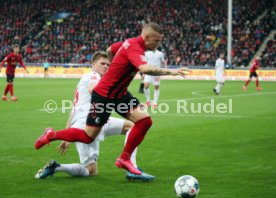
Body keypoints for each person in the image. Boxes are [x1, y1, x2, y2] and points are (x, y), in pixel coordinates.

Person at [34, 22, 190, 176]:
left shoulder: (127, 43)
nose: (158, 44)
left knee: (145, 121)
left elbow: (110, 50)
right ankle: (50, 135)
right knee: (88, 137)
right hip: (104, 96)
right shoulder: (135, 48)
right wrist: (171, 72)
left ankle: (124, 158)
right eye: (156, 41)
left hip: (120, 94)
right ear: (147, 37)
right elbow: (145, 69)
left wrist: (115, 67)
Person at [35, 52, 154, 181]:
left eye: (108, 64)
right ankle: (57, 166)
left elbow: (73, 110)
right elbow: (94, 89)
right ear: (93, 65)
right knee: (92, 170)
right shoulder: (94, 75)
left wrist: (67, 136)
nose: (106, 67)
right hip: (88, 122)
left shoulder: (89, 79)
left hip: (86, 122)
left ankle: (56, 166)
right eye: (102, 63)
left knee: (131, 128)